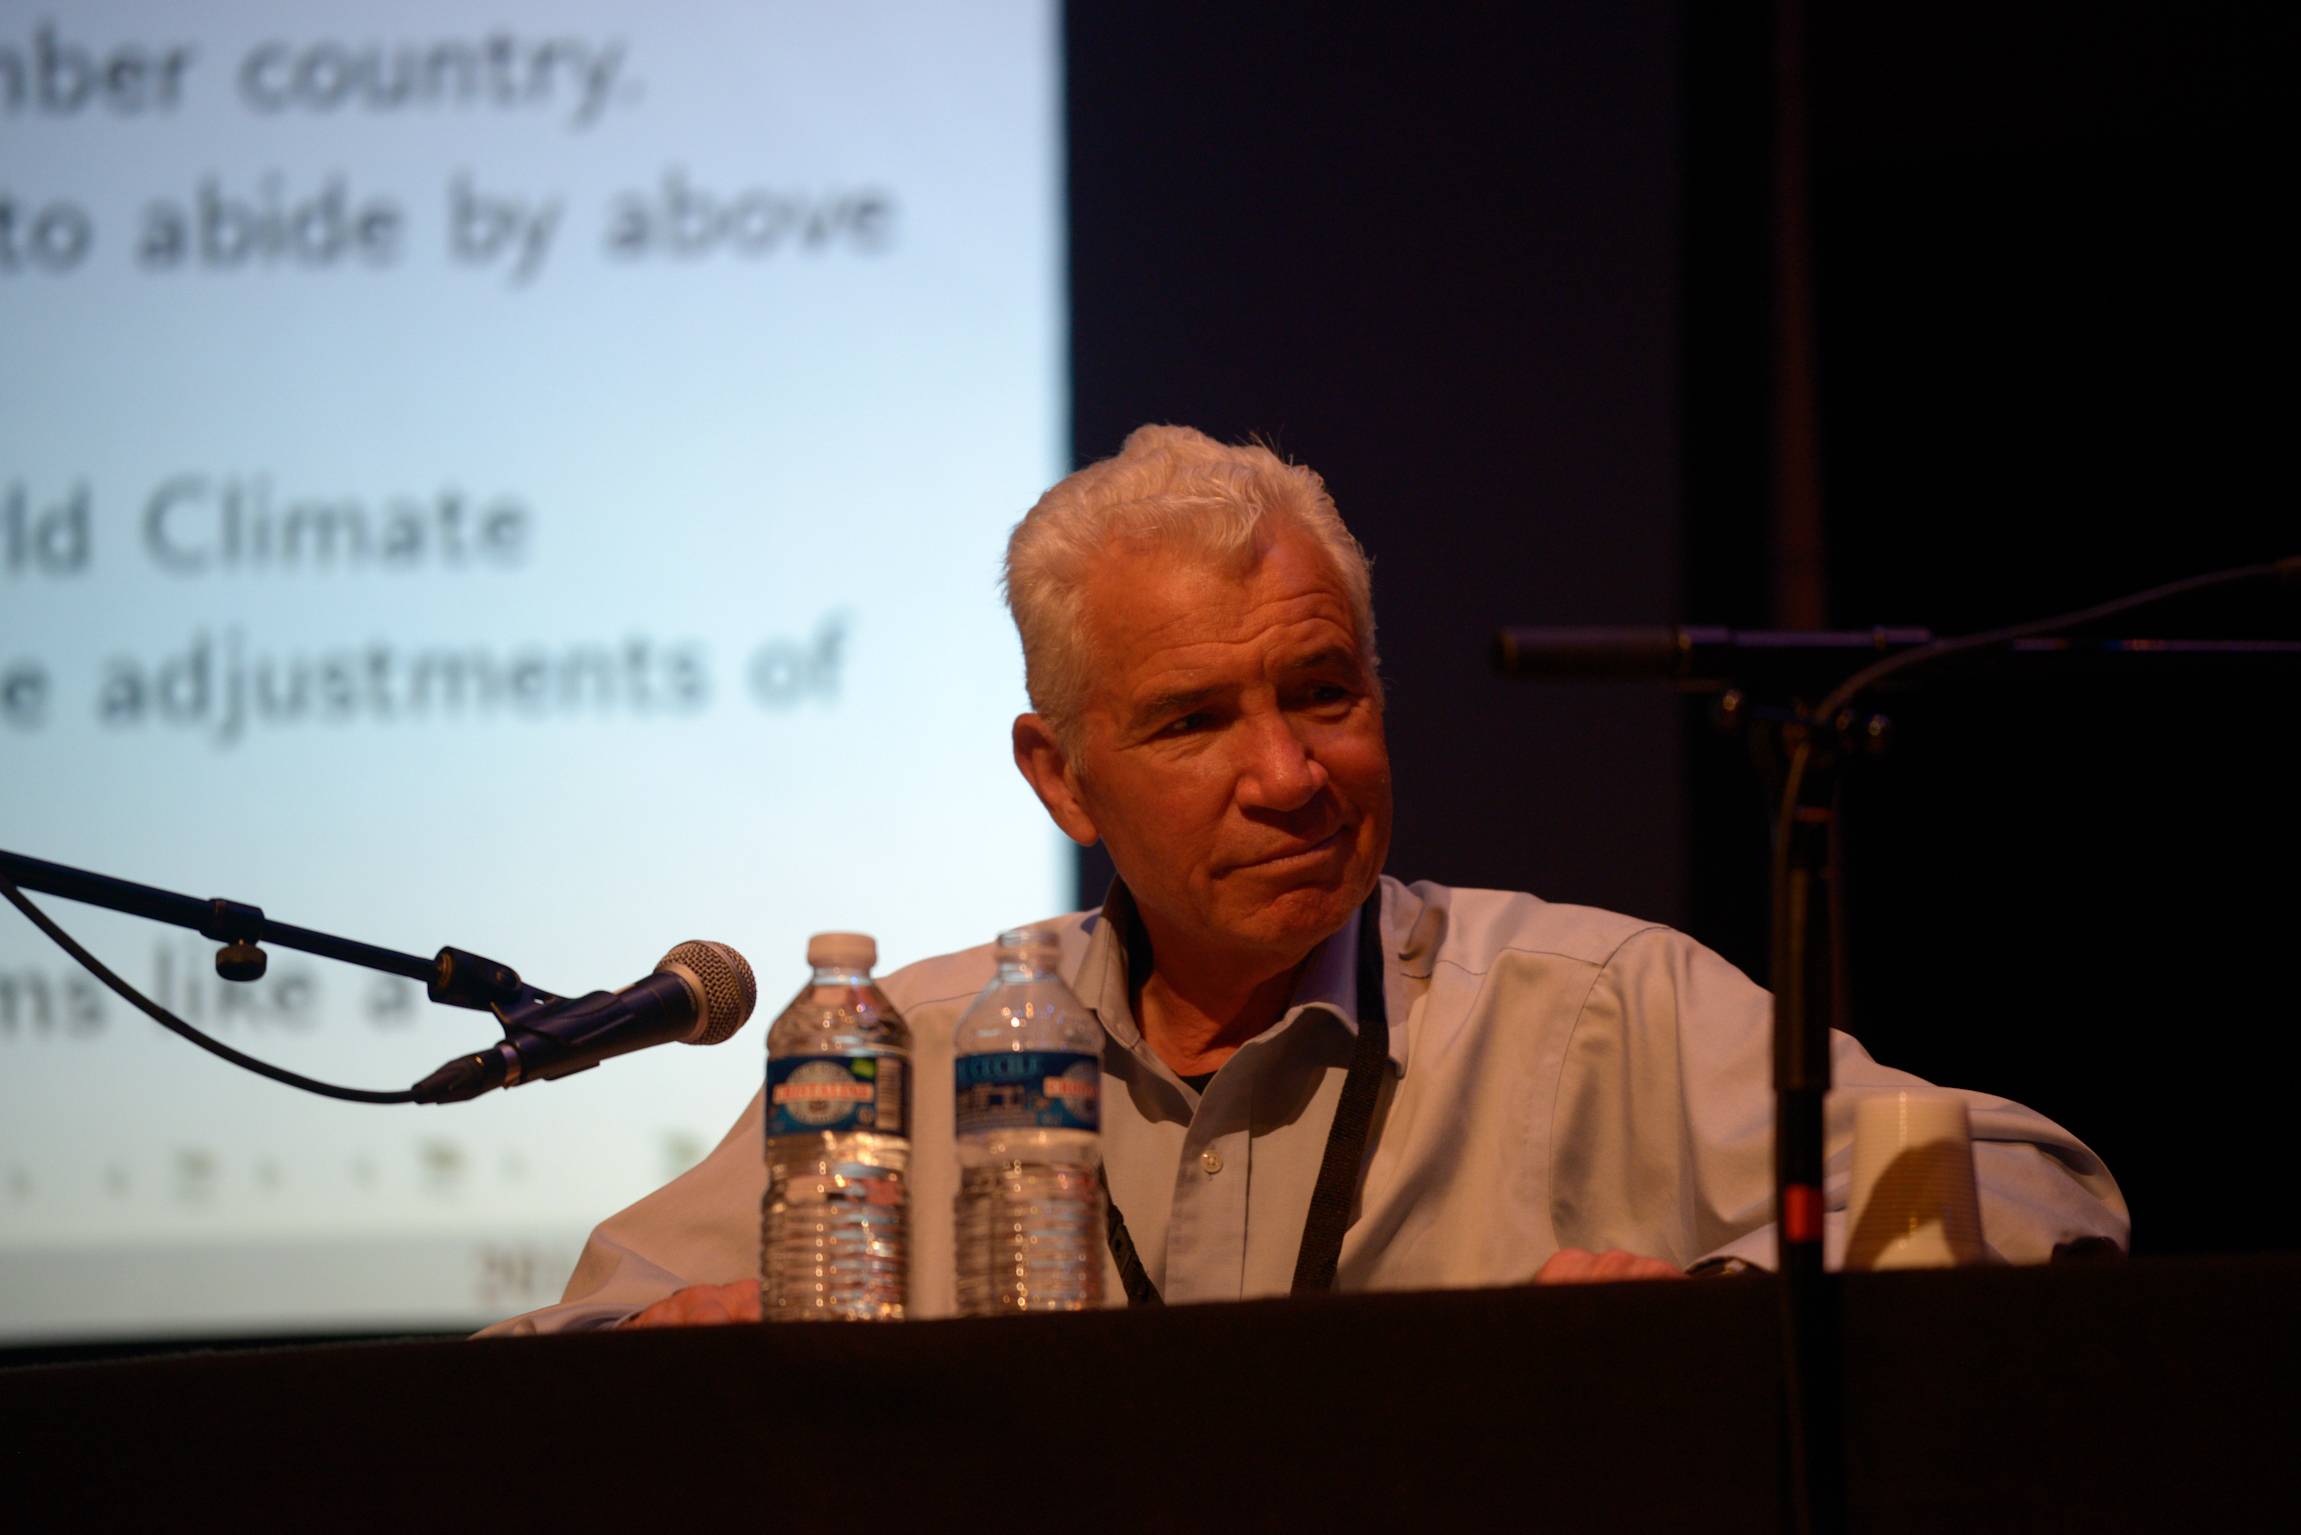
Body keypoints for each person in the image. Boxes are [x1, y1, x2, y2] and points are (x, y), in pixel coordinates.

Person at [480, 426, 2126, 1335]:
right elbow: (559, 1345)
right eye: (1194, 721)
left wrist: (1714, 1309)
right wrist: (662, 1353)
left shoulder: (1588, 1006)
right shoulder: (899, 1050)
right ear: (1059, 775)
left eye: (1322, 693)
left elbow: (2038, 1192)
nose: (1288, 773)